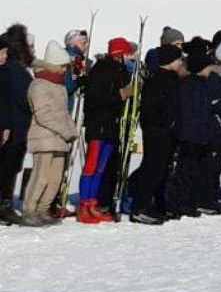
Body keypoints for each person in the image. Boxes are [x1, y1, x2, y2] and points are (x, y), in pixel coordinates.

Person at [172, 38, 221, 218]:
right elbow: (214, 104)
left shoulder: (202, 81)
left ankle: (193, 201)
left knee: (198, 167)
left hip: (202, 130)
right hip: (199, 130)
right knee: (193, 168)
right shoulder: (196, 83)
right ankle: (190, 201)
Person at [75, 37, 136, 223]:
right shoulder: (101, 69)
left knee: (101, 167)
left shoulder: (122, 71)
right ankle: (84, 204)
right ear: (120, 55)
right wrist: (119, 95)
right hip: (98, 126)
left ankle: (93, 203)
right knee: (91, 166)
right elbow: (93, 100)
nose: (130, 58)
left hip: (112, 126)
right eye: (127, 54)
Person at [18, 42, 75, 226]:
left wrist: (71, 131)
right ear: (54, 65)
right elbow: (44, 115)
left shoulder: (59, 86)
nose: (65, 69)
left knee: (55, 178)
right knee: (41, 175)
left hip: (59, 138)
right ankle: (29, 210)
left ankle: (43, 209)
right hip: (44, 137)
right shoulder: (39, 85)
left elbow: (63, 113)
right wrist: (65, 130)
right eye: (63, 66)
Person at [130, 45, 184, 224]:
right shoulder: (157, 80)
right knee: (152, 169)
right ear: (169, 62)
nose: (181, 62)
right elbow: (149, 109)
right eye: (178, 59)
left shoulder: (172, 79)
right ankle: (140, 207)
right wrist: (166, 123)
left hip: (169, 132)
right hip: (157, 133)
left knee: (162, 170)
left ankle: (159, 205)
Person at [0, 25, 33, 224]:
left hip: (14, 125)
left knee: (10, 167)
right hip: (13, 126)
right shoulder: (13, 69)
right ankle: (4, 206)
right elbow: (17, 98)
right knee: (7, 167)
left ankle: (5, 204)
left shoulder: (11, 68)